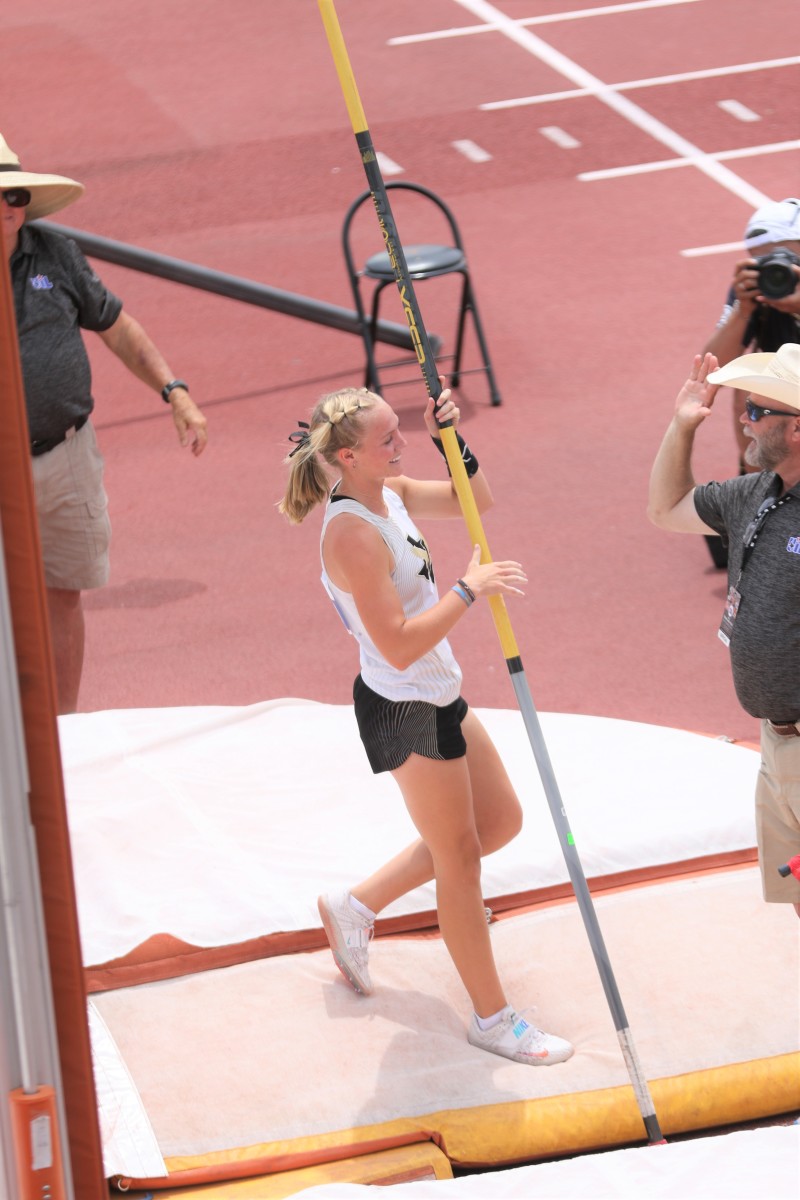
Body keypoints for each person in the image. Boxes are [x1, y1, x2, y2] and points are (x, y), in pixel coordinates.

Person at [279, 382, 574, 1066]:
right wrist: (469, 591)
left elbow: (477, 502)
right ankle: (493, 1020)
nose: (400, 443)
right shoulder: (352, 534)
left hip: (437, 692)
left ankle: (356, 904)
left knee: (497, 823)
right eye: (389, 439)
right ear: (348, 457)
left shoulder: (392, 493)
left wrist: (453, 440)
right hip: (401, 704)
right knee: (460, 860)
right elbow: (400, 643)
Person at [1, 133, 208, 713]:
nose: (9, 206)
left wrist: (175, 391)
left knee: (63, 596)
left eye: (15, 194)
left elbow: (116, 326)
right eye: (0, 194)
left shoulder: (55, 254)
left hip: (65, 456)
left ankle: (66, 731)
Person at [647, 343, 800, 918]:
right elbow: (666, 510)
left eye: (757, 412)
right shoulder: (752, 495)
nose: (743, 419)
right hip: (776, 741)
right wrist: (682, 423)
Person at [700, 198, 800, 568]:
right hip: (787, 391)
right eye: (760, 260)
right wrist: (742, 311)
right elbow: (712, 370)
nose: (775, 268)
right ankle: (761, 497)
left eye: (783, 255)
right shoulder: (758, 290)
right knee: (747, 390)